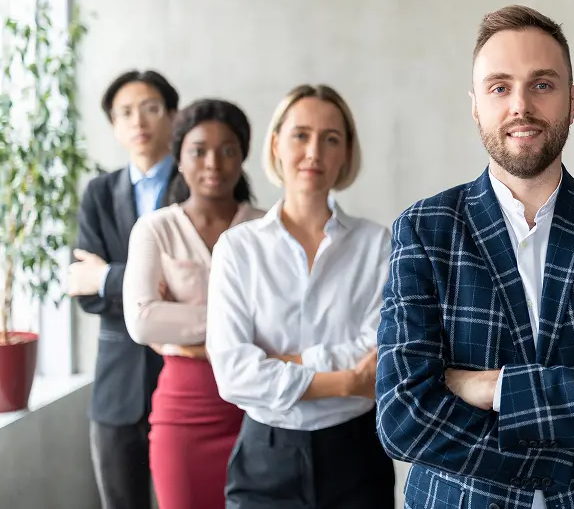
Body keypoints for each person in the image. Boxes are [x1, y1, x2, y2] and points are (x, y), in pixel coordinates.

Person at [375, 5, 574, 509]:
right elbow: (403, 416)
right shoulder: (425, 230)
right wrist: (573, 422)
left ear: (572, 99)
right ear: (475, 104)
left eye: (542, 84)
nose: (521, 105)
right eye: (500, 87)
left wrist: (493, 388)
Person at [205, 84, 394, 508]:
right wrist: (345, 381)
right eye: (300, 135)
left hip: (356, 454)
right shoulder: (237, 248)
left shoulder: (377, 244)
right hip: (266, 457)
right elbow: (234, 373)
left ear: (346, 153)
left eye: (331, 139)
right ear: (275, 144)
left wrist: (285, 362)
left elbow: (379, 356)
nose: (315, 152)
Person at [122, 99, 264, 509]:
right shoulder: (156, 228)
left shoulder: (266, 226)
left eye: (228, 150)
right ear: (179, 158)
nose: (213, 163)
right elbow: (143, 321)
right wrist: (241, 323)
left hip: (259, 406)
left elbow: (288, 320)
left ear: (243, 157)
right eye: (198, 150)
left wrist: (181, 323)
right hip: (184, 411)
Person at [71, 69, 179, 509]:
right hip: (115, 391)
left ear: (173, 115)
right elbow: (85, 290)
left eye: (151, 108)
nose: (139, 121)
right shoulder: (98, 193)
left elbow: (196, 285)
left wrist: (109, 276)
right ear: (114, 125)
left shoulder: (197, 186)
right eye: (126, 112)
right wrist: (146, 282)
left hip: (184, 378)